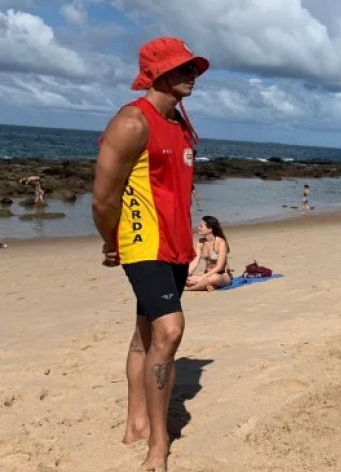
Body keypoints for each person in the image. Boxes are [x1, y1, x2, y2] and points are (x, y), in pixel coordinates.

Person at [91, 36, 208, 471]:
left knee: (145, 333)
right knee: (170, 332)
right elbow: (104, 198)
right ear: (157, 73)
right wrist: (111, 241)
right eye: (182, 68)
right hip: (143, 244)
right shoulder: (131, 122)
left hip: (176, 245)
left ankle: (136, 420)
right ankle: (158, 447)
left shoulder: (180, 123)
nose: (192, 75)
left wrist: (192, 242)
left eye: (193, 68)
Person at [185, 216, 231, 292]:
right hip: (207, 274)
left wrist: (202, 277)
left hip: (221, 275)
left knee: (212, 278)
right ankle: (210, 286)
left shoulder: (221, 242)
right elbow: (195, 262)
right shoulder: (201, 242)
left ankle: (188, 289)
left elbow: (219, 267)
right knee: (188, 279)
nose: (198, 228)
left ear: (210, 229)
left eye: (201, 226)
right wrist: (185, 274)